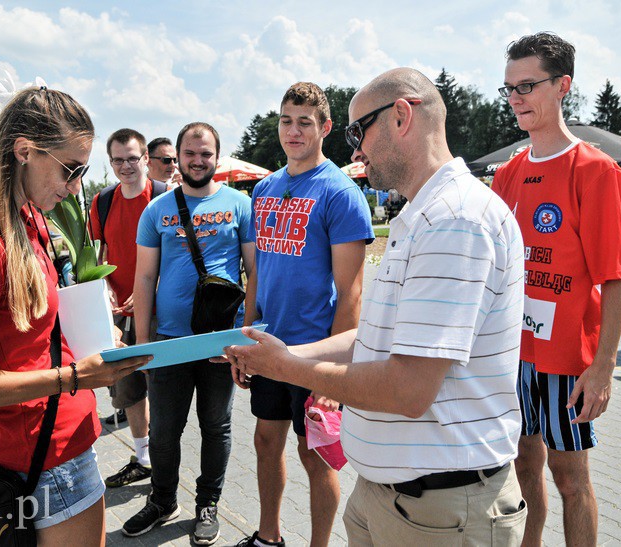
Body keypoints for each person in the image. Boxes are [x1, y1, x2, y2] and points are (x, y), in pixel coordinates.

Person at [223, 67, 528, 546]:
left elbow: (408, 389)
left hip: (439, 508)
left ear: (402, 116)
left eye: (356, 131)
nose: (355, 151)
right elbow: (374, 338)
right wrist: (287, 355)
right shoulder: (424, 215)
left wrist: (289, 366)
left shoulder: (454, 222)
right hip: (401, 498)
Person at [0, 86, 151, 544]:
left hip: (59, 444)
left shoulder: (24, 220)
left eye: (83, 172)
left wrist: (95, 341)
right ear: (24, 151)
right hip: (40, 456)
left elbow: (31, 334)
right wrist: (73, 378)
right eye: (71, 169)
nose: (74, 186)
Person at [492, 32, 621, 547]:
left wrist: (604, 366)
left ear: (562, 86)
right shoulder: (508, 173)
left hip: (566, 362)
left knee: (571, 480)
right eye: (508, 88)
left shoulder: (595, 170)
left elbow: (615, 278)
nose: (516, 99)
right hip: (514, 355)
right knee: (524, 467)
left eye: (527, 85)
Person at [237, 82, 373, 547]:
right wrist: (244, 334)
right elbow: (257, 271)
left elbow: (351, 292)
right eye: (285, 121)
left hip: (316, 350)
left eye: (304, 122)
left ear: (326, 128)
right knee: (265, 441)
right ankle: (268, 536)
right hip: (269, 342)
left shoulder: (340, 193)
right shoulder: (265, 189)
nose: (293, 132)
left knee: (315, 454)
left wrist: (334, 374)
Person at [123, 122, 254, 545]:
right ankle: (163, 500)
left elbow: (255, 274)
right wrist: (142, 345)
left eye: (206, 153)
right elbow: (144, 280)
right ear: (177, 155)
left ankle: (207, 504)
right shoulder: (157, 209)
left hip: (221, 341)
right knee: (163, 429)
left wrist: (245, 339)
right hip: (169, 342)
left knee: (216, 426)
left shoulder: (239, 204)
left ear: (218, 156)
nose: (198, 160)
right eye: (190, 153)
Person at [88, 128, 162, 487]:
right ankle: (144, 456)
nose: (126, 166)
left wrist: (151, 289)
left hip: (161, 311)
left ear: (146, 158)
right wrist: (105, 290)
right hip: (119, 314)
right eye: (118, 160)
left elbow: (179, 258)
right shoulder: (102, 201)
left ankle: (166, 460)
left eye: (133, 158)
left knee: (162, 388)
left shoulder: (164, 198)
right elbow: (95, 256)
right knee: (129, 390)